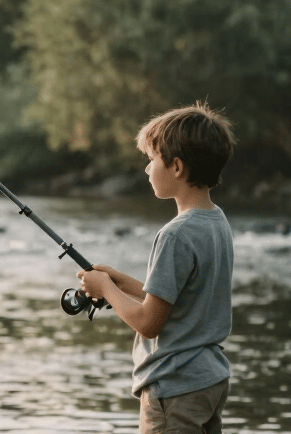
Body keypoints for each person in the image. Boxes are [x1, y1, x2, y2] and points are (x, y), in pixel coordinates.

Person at [77, 102, 237, 433]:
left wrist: (105, 289)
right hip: (210, 379)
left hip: (175, 387)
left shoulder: (175, 234)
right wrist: (121, 282)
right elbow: (182, 297)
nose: (147, 170)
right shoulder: (216, 221)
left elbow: (149, 323)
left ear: (177, 167)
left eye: (152, 160)